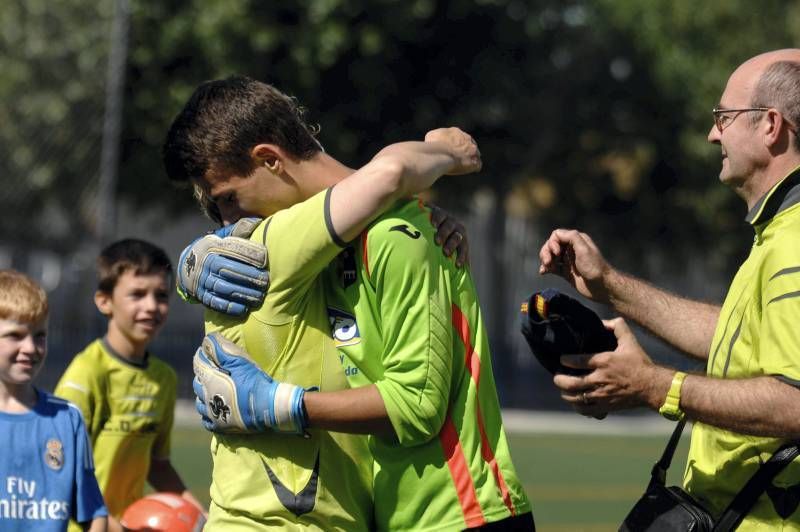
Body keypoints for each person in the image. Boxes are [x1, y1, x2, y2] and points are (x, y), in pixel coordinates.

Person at [164, 76, 533, 531]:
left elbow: (416, 405)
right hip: (392, 518)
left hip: (461, 514)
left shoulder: (399, 235)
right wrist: (187, 266)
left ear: (269, 159)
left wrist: (281, 405)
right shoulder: (315, 255)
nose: (227, 224)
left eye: (229, 200)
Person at [538, 49, 800, 529]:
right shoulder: (779, 231)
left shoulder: (796, 239)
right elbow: (738, 339)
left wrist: (654, 386)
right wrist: (611, 286)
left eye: (724, 116)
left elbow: (796, 401)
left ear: (770, 124)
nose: (712, 133)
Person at [54, 240, 203, 532]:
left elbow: (158, 465)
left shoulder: (164, 378)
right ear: (104, 302)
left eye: (161, 295)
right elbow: (60, 472)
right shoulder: (87, 374)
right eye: (137, 294)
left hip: (127, 524)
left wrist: (204, 519)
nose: (151, 306)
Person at [0, 269, 108, 531]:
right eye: (15, 336)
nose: (30, 348)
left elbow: (93, 513)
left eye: (39, 336)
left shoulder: (66, 418)